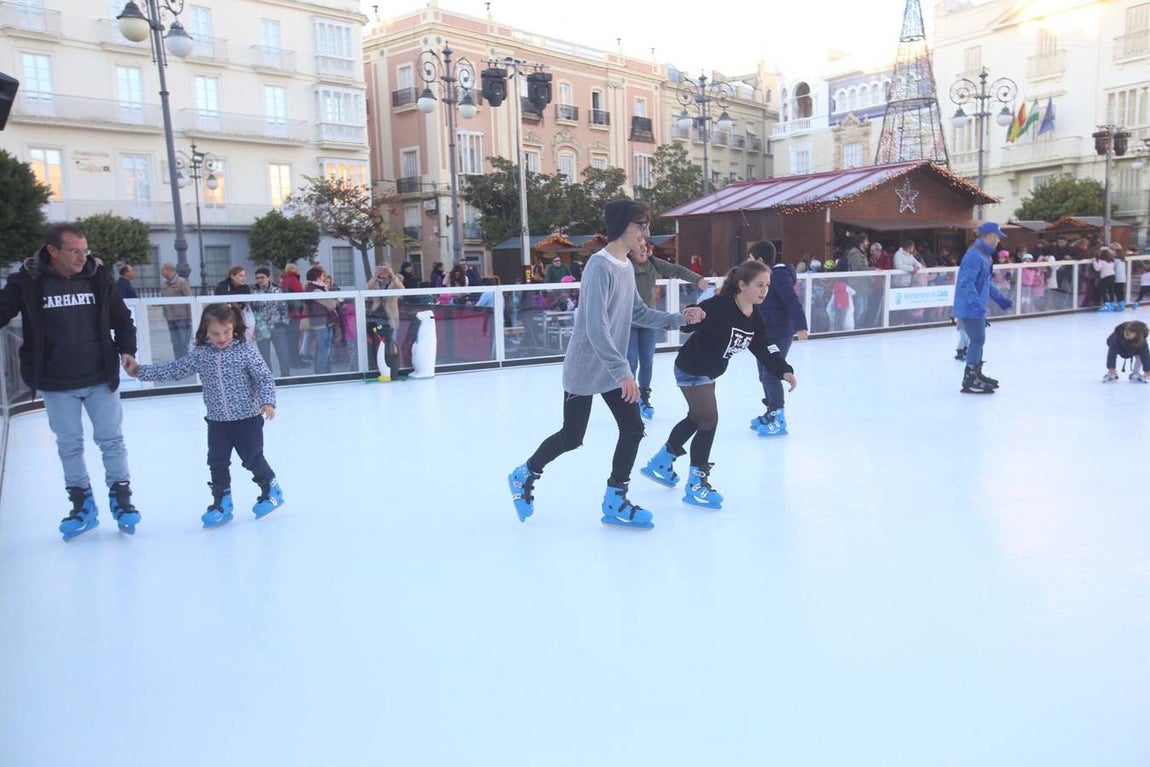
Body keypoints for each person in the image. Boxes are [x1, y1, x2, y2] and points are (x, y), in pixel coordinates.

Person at [507, 199, 706, 530]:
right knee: (572, 437)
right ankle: (524, 473)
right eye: (641, 225)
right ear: (622, 226)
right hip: (586, 368)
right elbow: (596, 328)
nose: (646, 233)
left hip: (612, 368)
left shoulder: (625, 266)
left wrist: (680, 319)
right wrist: (624, 372)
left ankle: (615, 499)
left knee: (633, 429)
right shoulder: (599, 267)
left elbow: (638, 312)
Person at [0, 222, 141, 540]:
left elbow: (122, 318)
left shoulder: (97, 276)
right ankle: (82, 505)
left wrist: (127, 351)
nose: (82, 257)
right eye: (74, 251)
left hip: (99, 376)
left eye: (85, 250)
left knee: (111, 440)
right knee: (69, 445)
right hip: (55, 380)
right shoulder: (28, 280)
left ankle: (122, 501)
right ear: (52, 251)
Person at [641, 259, 797, 508]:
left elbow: (764, 347)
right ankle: (696, 484)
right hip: (692, 368)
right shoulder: (722, 305)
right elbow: (693, 319)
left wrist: (784, 370)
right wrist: (692, 313)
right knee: (709, 420)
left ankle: (661, 461)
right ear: (742, 285)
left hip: (709, 372)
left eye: (767, 285)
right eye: (759, 285)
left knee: (696, 418)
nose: (764, 290)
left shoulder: (755, 316)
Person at [125, 303, 284, 527]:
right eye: (215, 333)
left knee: (252, 458)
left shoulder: (246, 350)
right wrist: (140, 371)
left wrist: (267, 401)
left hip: (247, 419)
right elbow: (175, 370)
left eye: (226, 332)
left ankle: (272, 490)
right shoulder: (201, 354)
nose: (222, 338)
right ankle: (222, 503)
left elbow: (264, 377)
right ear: (205, 331)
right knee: (217, 462)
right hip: (217, 422)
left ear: (234, 328)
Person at [628, 238, 708, 419]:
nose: (643, 250)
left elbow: (677, 270)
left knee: (647, 362)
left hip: (649, 321)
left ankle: (644, 397)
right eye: (639, 248)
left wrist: (697, 279)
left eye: (644, 247)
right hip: (629, 323)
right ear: (630, 251)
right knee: (631, 363)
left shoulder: (652, 263)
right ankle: (631, 400)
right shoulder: (625, 267)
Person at [747, 240, 808, 437]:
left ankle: (778, 419)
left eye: (750, 258)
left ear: (759, 260)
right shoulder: (761, 277)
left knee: (770, 374)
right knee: (763, 374)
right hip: (764, 332)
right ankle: (771, 412)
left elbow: (792, 301)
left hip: (779, 332)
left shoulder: (779, 275)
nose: (748, 262)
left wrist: (801, 326)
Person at [953, 223, 1014, 394]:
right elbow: (966, 283)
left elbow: (986, 282)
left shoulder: (985, 256)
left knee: (978, 339)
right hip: (970, 306)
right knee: (977, 339)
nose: (998, 240)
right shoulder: (974, 256)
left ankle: (976, 373)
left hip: (976, 305)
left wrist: (999, 298)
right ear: (989, 236)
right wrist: (974, 303)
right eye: (997, 237)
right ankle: (970, 378)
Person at [251, 266, 292, 377]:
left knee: (283, 353)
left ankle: (286, 376)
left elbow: (284, 307)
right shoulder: (253, 291)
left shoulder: (277, 290)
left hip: (277, 325)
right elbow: (252, 309)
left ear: (268, 277)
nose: (259, 280)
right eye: (257, 278)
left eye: (262, 277)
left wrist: (284, 322)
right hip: (262, 327)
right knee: (264, 355)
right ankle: (268, 378)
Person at [366, 262, 404, 379]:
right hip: (376, 315)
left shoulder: (395, 280)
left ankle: (393, 369)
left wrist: (392, 275)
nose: (383, 272)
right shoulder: (375, 281)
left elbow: (402, 290)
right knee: (377, 342)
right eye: (381, 269)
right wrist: (375, 276)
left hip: (391, 315)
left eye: (385, 269)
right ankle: (378, 367)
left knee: (392, 342)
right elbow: (366, 289)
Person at [305, 265, 338, 374]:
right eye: (323, 275)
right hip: (320, 321)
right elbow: (331, 304)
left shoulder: (317, 288)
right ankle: (321, 372)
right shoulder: (315, 290)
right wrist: (334, 301)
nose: (324, 278)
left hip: (324, 320)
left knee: (324, 347)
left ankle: (324, 371)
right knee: (324, 348)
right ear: (318, 276)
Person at [159, 262, 193, 359]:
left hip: (182, 317)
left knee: (184, 342)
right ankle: (178, 361)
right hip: (170, 317)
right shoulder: (164, 284)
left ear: (170, 270)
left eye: (163, 270)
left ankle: (185, 361)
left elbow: (189, 298)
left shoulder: (181, 282)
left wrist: (191, 315)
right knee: (175, 342)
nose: (161, 272)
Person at [280, 263, 307, 366]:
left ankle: (292, 360)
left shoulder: (284, 280)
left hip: (289, 312)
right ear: (294, 270)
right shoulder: (292, 279)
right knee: (294, 338)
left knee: (291, 338)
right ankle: (295, 361)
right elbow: (300, 293)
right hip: (294, 312)